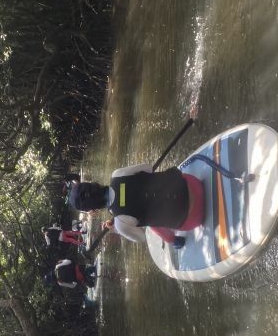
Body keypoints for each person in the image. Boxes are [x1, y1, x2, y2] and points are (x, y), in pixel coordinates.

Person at [68, 105, 205, 248]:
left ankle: (175, 242)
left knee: (151, 224)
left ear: (92, 210)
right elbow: (148, 168)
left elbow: (141, 237)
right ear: (93, 183)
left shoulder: (121, 223)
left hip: (193, 218)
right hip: (194, 185)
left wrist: (116, 226)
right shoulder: (118, 175)